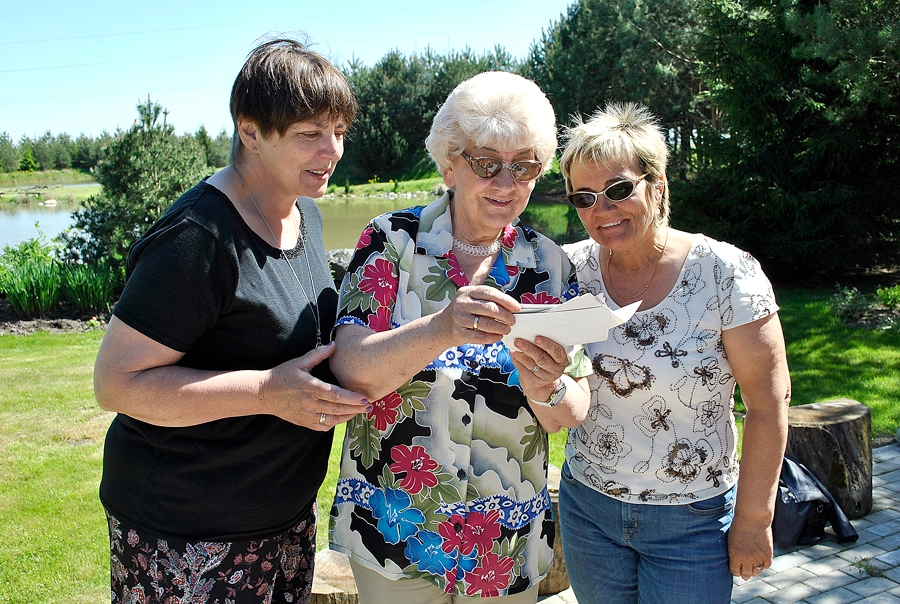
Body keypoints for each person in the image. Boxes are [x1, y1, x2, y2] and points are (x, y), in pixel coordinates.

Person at [93, 38, 370, 604]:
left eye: (338, 130)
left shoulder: (305, 216)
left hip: (282, 518)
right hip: (186, 531)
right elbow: (116, 384)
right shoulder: (198, 239)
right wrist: (268, 392)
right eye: (309, 134)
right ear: (249, 130)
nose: (332, 149)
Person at [327, 71, 592, 604]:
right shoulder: (391, 240)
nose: (505, 182)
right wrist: (440, 327)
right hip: (396, 527)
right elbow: (350, 368)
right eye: (487, 163)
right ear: (450, 162)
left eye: (523, 167)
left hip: (504, 537)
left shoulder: (550, 266)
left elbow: (573, 408)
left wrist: (547, 387)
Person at [557, 102, 791, 604]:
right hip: (587, 509)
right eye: (584, 196)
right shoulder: (568, 272)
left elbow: (770, 405)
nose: (602, 209)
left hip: (693, 522)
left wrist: (753, 519)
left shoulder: (726, 273)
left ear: (657, 184)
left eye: (619, 190)